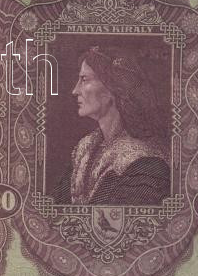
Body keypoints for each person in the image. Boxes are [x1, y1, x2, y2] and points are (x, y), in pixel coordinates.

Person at [59, 45, 170, 205]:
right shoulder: (84, 149)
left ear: (112, 87)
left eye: (84, 80)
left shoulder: (145, 163)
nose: (75, 90)